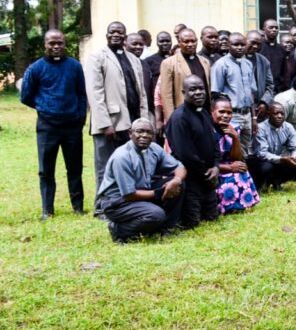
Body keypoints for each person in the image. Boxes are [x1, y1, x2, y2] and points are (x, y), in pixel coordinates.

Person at [20, 29, 88, 219]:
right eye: (52, 43)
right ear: (45, 45)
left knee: (75, 167)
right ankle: (47, 210)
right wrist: (44, 107)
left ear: (65, 44)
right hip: (47, 127)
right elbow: (25, 96)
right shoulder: (36, 68)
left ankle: (78, 207)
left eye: (60, 43)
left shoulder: (74, 67)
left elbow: (82, 94)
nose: (56, 47)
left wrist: (80, 117)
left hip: (72, 126)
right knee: (46, 169)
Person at [86, 21, 150, 203]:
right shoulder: (97, 57)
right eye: (112, 32)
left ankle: (127, 199)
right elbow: (95, 93)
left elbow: (142, 93)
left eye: (120, 32)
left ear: (125, 36)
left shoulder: (133, 59)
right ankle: (102, 204)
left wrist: (144, 120)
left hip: (132, 122)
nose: (116, 34)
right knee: (105, 165)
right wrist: (105, 123)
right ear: (107, 35)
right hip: (110, 123)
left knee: (130, 162)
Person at [96, 118, 186, 243]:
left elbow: (179, 167)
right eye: (140, 131)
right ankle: (119, 230)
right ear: (130, 133)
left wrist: (176, 180)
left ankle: (167, 229)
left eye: (149, 132)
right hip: (117, 202)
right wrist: (159, 193)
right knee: (156, 215)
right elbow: (129, 195)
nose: (144, 135)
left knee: (179, 185)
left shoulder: (154, 148)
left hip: (142, 191)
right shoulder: (122, 156)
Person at [164, 75, 221, 229]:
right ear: (184, 92)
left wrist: (216, 167)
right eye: (193, 89)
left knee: (212, 218)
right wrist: (206, 172)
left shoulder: (204, 112)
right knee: (192, 222)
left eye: (201, 88)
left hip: (209, 177)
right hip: (191, 179)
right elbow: (185, 154)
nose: (198, 93)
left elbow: (215, 141)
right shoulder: (179, 118)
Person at [210, 95, 260, 214]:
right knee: (231, 176)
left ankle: (240, 204)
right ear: (212, 112)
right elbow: (206, 161)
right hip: (213, 168)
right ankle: (225, 207)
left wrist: (235, 138)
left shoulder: (234, 126)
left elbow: (236, 157)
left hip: (227, 163)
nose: (226, 116)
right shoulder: (207, 130)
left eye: (229, 112)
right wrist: (229, 168)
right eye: (221, 112)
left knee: (241, 169)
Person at [211, 32, 257, 156]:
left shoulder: (248, 64)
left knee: (246, 150)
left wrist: (253, 117)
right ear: (229, 45)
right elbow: (216, 94)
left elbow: (251, 93)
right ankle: (231, 174)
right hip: (232, 115)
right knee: (230, 148)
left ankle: (243, 174)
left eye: (242, 44)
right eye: (236, 44)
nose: (240, 47)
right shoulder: (221, 65)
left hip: (247, 114)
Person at [158, 28, 210, 128]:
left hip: (204, 112)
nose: (190, 44)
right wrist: (171, 122)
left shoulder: (205, 62)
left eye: (193, 41)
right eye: (186, 41)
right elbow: (166, 95)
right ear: (179, 42)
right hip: (183, 114)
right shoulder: (169, 63)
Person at [248, 102, 296, 190]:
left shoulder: (288, 127)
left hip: (276, 159)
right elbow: (262, 154)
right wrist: (282, 159)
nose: (279, 116)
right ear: (268, 114)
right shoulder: (261, 128)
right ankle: (260, 185)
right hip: (258, 160)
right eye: (276, 113)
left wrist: (295, 157)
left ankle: (277, 182)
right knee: (266, 167)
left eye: (282, 113)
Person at [246, 30, 276, 121]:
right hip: (243, 107)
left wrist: (264, 103)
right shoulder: (238, 59)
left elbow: (270, 85)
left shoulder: (263, 61)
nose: (255, 46)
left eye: (258, 44)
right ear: (245, 40)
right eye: (253, 43)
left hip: (259, 106)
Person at [259, 18, 288, 91]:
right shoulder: (259, 47)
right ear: (264, 29)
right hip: (262, 88)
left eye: (276, 28)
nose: (274, 30)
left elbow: (284, 71)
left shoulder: (281, 49)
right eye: (271, 27)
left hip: (278, 89)